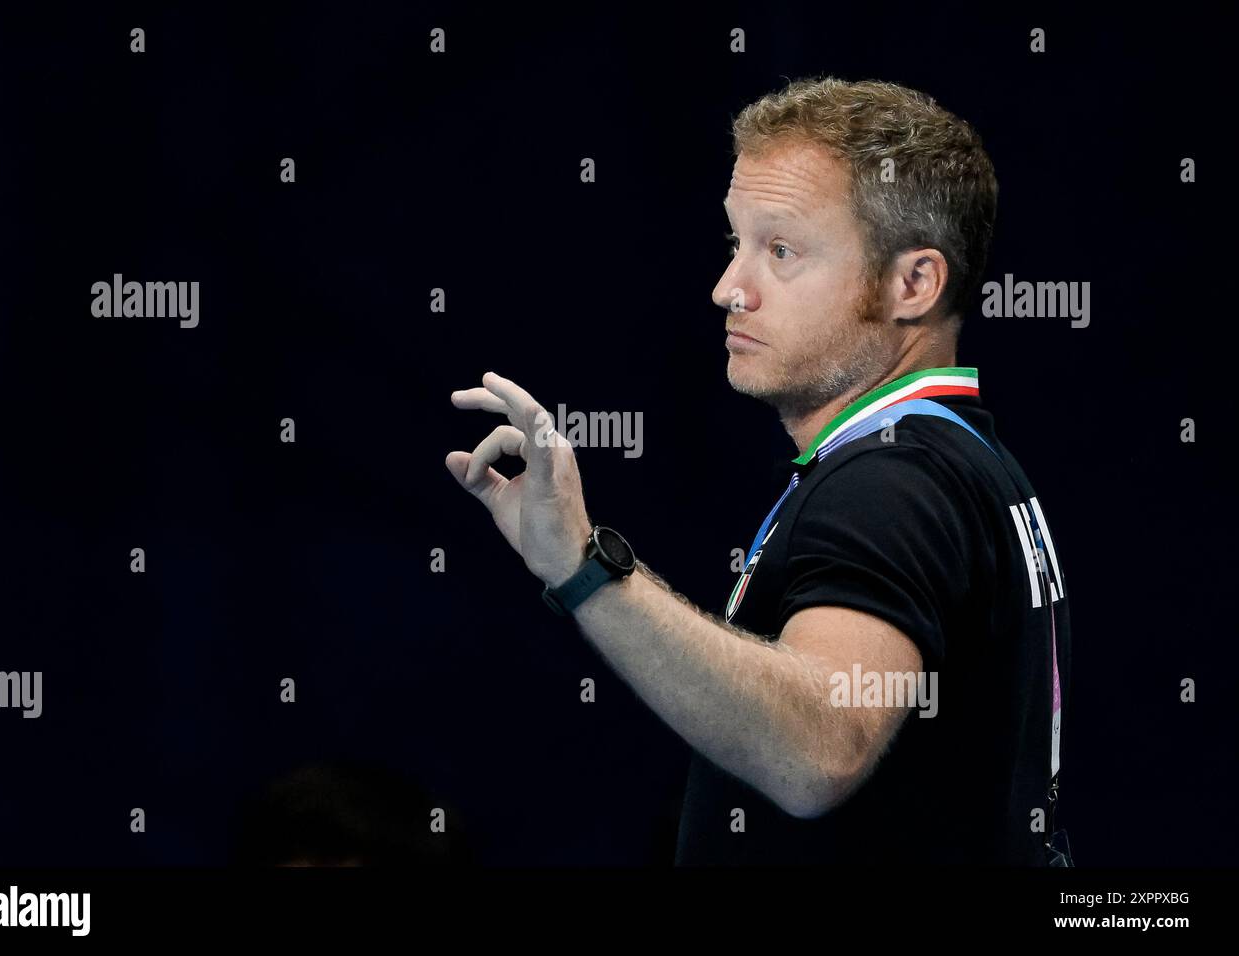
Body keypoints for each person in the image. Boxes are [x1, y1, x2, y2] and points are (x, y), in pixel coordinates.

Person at [446, 76, 1071, 865]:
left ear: (913, 284)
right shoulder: (959, 461)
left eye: (781, 250)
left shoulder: (895, 480)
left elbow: (817, 753)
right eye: (734, 243)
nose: (728, 290)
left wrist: (580, 564)